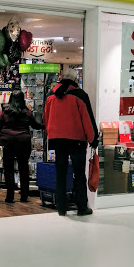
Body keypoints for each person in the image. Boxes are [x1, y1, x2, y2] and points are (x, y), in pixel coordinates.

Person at [43, 68, 98, 217]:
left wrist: (51, 133)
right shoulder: (80, 95)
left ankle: (61, 208)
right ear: (75, 79)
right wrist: (93, 139)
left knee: (60, 174)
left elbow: (46, 118)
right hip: (76, 140)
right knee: (79, 174)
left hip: (57, 140)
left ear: (61, 78)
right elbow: (87, 119)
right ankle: (82, 207)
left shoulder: (51, 95)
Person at [0, 90, 44, 203]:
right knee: (24, 168)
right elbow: (35, 125)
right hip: (23, 142)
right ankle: (24, 195)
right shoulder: (27, 112)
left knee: (9, 169)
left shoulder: (5, 112)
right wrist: (44, 126)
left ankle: (10, 196)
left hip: (8, 142)